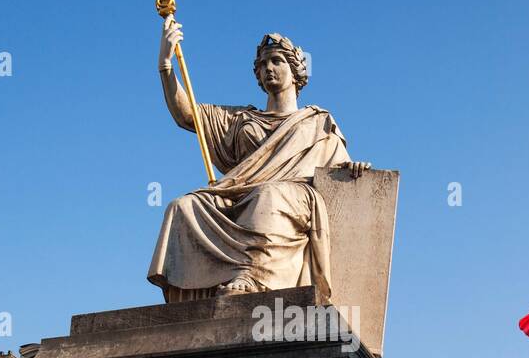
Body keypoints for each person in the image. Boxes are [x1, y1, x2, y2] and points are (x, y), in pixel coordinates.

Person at [149, 18, 369, 301]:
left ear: (296, 70)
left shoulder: (317, 122)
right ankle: (191, 299)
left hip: (293, 195)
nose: (268, 69)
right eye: (263, 65)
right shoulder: (241, 119)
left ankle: (252, 276)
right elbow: (186, 114)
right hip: (238, 193)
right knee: (183, 206)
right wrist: (166, 65)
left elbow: (337, 166)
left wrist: (353, 168)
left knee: (268, 195)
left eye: (277, 61)